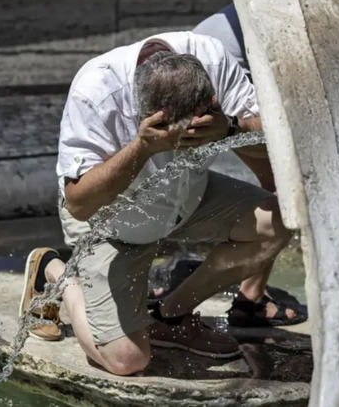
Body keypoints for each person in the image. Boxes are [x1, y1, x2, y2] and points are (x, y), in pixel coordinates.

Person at [19, 31, 291, 375]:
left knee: (280, 220)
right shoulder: (96, 91)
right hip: (110, 224)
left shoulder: (210, 56)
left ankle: (170, 318)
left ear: (208, 100)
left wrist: (231, 129)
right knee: (127, 360)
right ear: (143, 109)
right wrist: (142, 148)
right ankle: (54, 272)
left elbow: (278, 137)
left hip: (189, 198)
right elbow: (79, 204)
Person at [193, 3, 306, 325]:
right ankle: (250, 300)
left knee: (279, 184)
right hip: (225, 69)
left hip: (199, 52)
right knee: (285, 186)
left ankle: (241, 288)